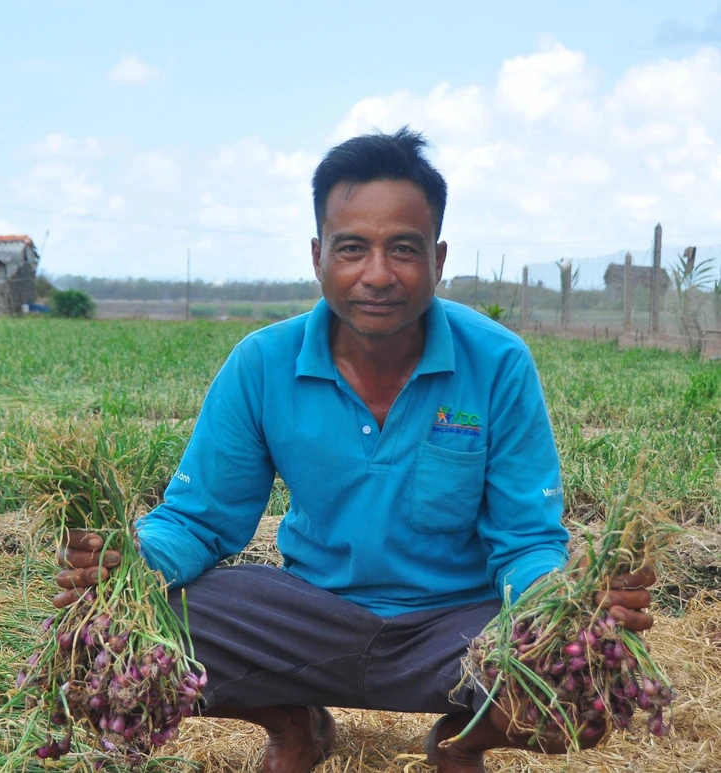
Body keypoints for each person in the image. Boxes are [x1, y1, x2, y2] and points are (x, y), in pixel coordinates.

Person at [53, 128, 655, 773]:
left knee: (593, 681)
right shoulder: (263, 363)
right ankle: (294, 725)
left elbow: (525, 538)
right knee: (109, 640)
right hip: (309, 616)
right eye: (351, 249)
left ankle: (462, 741)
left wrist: (570, 600)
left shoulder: (497, 362)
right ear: (318, 257)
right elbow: (201, 518)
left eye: (403, 249)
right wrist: (128, 566)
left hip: (455, 628)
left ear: (438, 257)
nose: (377, 275)